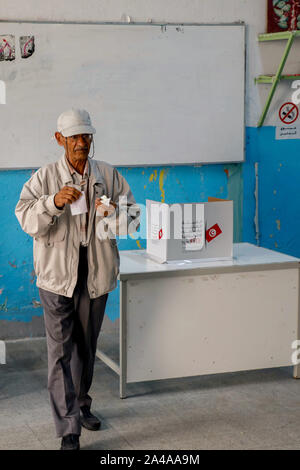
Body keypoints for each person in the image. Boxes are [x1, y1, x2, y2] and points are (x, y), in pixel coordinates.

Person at [15, 108, 140, 450]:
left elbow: (133, 220)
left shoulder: (109, 176)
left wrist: (113, 213)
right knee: (60, 353)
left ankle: (81, 405)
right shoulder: (45, 178)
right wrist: (53, 203)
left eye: (86, 137)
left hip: (95, 276)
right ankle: (69, 428)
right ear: (60, 140)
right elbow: (25, 219)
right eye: (74, 138)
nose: (81, 143)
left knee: (85, 349)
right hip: (56, 279)